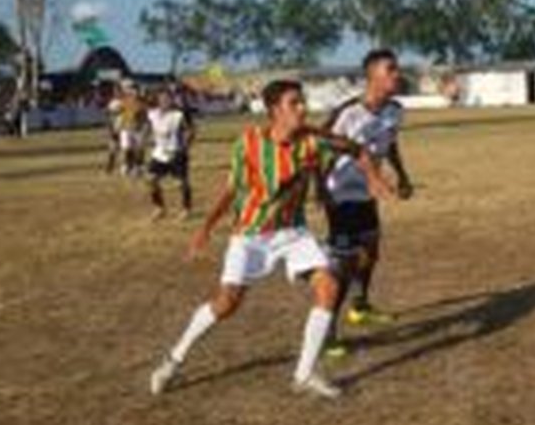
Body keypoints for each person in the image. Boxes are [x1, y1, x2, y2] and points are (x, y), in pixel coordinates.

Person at [148, 79, 391, 399]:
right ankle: (173, 359)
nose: (303, 108)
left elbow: (356, 149)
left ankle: (304, 375)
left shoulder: (312, 140)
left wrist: (374, 179)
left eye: (302, 101)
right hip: (251, 235)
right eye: (294, 103)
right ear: (275, 111)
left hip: (293, 232)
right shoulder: (248, 143)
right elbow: (231, 190)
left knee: (329, 286)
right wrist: (205, 228)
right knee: (226, 304)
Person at [322, 49, 414, 354]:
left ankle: (359, 307)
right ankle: (327, 332)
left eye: (396, 68)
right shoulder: (347, 113)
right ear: (371, 75)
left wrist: (401, 175)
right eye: (390, 69)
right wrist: (320, 191)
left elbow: (390, 144)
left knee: (371, 252)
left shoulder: (395, 110)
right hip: (341, 196)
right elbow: (318, 151)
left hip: (366, 194)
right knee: (343, 265)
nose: (396, 74)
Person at [147, 88, 196, 220]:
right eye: (162, 99)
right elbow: (148, 127)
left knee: (181, 183)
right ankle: (159, 208)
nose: (165, 101)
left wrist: (185, 147)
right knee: (151, 179)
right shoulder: (152, 114)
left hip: (176, 153)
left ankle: (186, 209)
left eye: (168, 98)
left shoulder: (178, 115)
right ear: (157, 100)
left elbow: (191, 131)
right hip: (159, 153)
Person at [116, 82, 147, 177]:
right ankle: (126, 166)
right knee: (126, 149)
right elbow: (118, 113)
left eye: (136, 90)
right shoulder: (124, 101)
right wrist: (118, 126)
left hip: (138, 129)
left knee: (139, 149)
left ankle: (138, 167)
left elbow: (145, 116)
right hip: (126, 128)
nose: (134, 92)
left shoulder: (142, 102)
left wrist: (144, 127)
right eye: (132, 90)